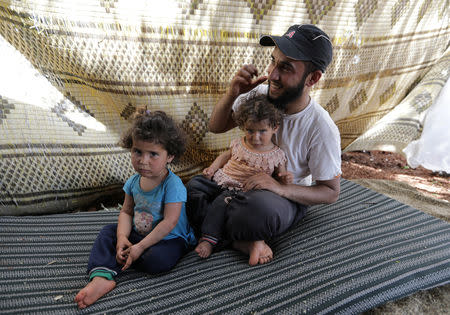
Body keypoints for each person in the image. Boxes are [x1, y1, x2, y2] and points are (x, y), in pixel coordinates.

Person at [186, 24, 341, 266]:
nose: (273, 75)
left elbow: (330, 192)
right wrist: (232, 94)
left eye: (286, 67)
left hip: (279, 198)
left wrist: (278, 188)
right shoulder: (259, 93)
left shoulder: (321, 127)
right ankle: (242, 241)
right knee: (193, 189)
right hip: (235, 183)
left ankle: (215, 231)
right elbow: (216, 126)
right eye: (273, 62)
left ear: (313, 78)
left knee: (258, 213)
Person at [75, 109, 196, 309]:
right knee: (108, 233)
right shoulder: (133, 182)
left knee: (156, 261)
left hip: (169, 239)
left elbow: (170, 222)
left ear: (170, 156)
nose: (143, 160)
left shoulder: (173, 185)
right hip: (139, 234)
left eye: (153, 154)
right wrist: (123, 237)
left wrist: (139, 247)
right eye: (137, 151)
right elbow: (127, 212)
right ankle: (102, 277)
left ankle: (127, 257)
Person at [195, 94, 293, 259]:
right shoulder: (240, 143)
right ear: (243, 127)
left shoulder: (276, 155)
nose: (255, 137)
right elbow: (225, 156)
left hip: (240, 191)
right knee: (195, 185)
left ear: (274, 128)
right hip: (220, 179)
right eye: (250, 130)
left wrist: (285, 178)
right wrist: (211, 169)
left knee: (221, 203)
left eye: (262, 131)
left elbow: (280, 177)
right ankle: (202, 225)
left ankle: (209, 239)